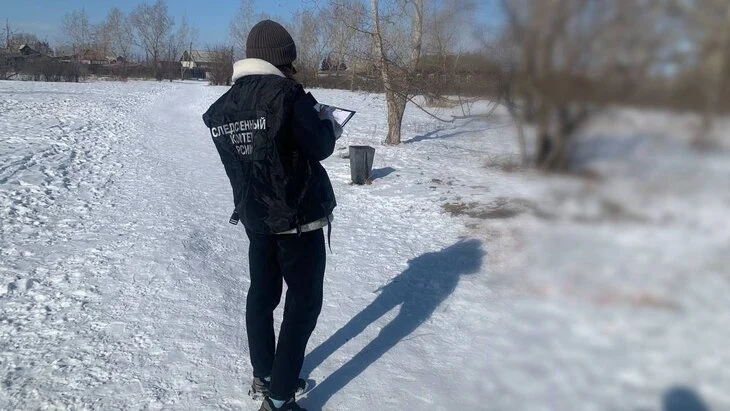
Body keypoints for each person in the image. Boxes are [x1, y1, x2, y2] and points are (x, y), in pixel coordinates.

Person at [202, 19, 342, 411]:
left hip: (256, 219)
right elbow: (320, 146)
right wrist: (328, 123)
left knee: (262, 295)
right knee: (303, 303)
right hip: (298, 220)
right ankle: (279, 399)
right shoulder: (288, 95)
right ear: (283, 59)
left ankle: (264, 374)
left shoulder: (224, 106)